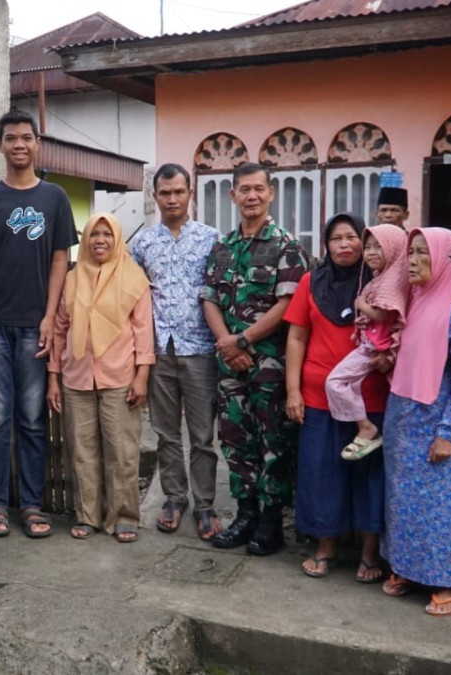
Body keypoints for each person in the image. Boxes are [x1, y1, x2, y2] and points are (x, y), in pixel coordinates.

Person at [0, 109, 78, 538]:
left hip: (35, 323)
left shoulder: (55, 198)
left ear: (37, 144)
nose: (19, 145)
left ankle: (32, 504)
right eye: (10, 138)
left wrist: (50, 317)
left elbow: (60, 259)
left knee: (31, 418)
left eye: (26, 138)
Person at [381, 227, 451, 617]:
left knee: (444, 507)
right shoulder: (411, 305)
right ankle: (411, 570)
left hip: (439, 421)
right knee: (406, 502)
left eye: (421, 254)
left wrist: (448, 433)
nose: (411, 261)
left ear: (446, 259)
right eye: (410, 253)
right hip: (405, 418)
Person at [202, 162, 310, 555]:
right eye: (243, 190)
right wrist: (226, 344)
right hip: (230, 361)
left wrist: (243, 341)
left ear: (270, 193)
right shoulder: (223, 246)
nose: (251, 196)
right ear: (233, 196)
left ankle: (270, 521)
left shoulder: (286, 246)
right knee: (234, 437)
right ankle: (244, 513)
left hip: (268, 364)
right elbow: (209, 298)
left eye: (258, 189)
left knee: (272, 439)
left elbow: (288, 304)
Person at [284, 213, 389, 582]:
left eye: (351, 237)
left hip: (370, 398)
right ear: (325, 246)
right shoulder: (311, 282)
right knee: (321, 473)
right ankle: (325, 548)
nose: (345, 244)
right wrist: (293, 390)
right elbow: (296, 338)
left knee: (369, 476)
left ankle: (369, 555)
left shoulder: (381, 284)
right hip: (317, 397)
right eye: (335, 239)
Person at [128, 163, 223, 540]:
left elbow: (220, 291)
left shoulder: (212, 239)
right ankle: (174, 497)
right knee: (166, 432)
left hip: (200, 348)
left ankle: (205, 505)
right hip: (158, 350)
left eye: (178, 192)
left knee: (201, 435)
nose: (172, 199)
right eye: (165, 193)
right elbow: (132, 296)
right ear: (156, 197)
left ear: (190, 194)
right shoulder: (142, 243)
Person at [48, 213, 154, 543]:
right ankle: (87, 516)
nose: (101, 241)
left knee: (121, 450)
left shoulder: (134, 278)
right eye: (95, 234)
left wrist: (142, 377)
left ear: (118, 238)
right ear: (86, 240)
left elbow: (143, 332)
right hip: (77, 378)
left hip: (120, 376)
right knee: (82, 451)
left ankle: (124, 516)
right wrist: (53, 377)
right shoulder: (73, 278)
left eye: (108, 235)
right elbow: (60, 330)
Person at [325, 224, 409, 460]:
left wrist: (361, 305)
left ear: (393, 249)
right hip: (371, 346)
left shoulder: (393, 283)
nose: (371, 252)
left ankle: (366, 427)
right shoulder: (380, 278)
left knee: (335, 382)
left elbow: (383, 314)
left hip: (374, 348)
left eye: (378, 247)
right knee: (345, 382)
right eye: (368, 247)